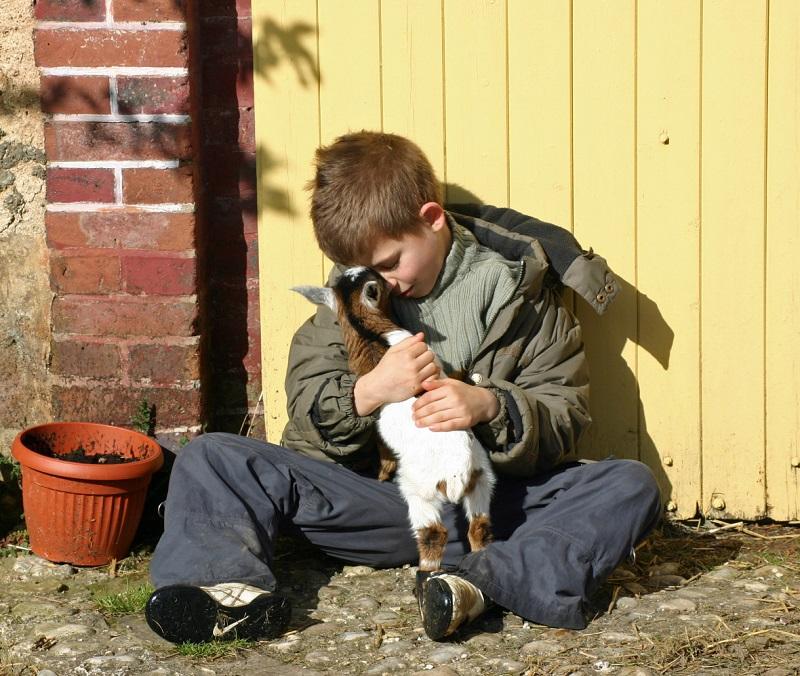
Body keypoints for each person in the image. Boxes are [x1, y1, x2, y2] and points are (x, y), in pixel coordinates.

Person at [145, 131, 662, 644]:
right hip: (375, 502)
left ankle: (485, 582)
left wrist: (490, 406)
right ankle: (216, 591)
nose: (385, 283)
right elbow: (306, 414)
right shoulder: (349, 306)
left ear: (432, 219)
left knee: (629, 484)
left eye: (392, 263)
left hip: (487, 504)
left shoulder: (522, 296)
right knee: (211, 456)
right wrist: (367, 393)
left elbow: (563, 412)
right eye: (371, 270)